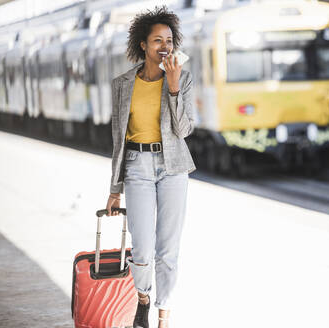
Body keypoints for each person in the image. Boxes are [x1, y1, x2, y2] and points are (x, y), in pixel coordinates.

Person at [105, 6, 195, 328]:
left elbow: (184, 130)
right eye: (157, 40)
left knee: (168, 251)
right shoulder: (123, 84)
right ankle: (143, 297)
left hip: (173, 169)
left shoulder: (182, 79)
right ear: (143, 44)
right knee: (142, 249)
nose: (165, 46)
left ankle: (163, 317)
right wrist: (115, 190)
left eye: (169, 40)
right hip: (136, 166)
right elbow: (118, 139)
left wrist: (172, 86)